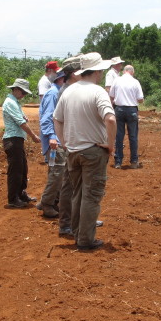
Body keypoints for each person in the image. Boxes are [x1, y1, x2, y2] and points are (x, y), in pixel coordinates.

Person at [53, 52, 116, 250]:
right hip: (93, 151)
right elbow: (111, 119)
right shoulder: (98, 92)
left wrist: (64, 142)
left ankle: (77, 232)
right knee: (91, 195)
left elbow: (57, 119)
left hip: (73, 152)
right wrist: (111, 144)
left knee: (77, 193)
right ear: (97, 71)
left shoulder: (69, 91)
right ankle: (86, 239)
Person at [2, 78, 41, 208]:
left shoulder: (14, 102)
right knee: (16, 171)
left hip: (17, 139)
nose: (24, 95)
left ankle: (20, 193)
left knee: (22, 168)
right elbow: (21, 123)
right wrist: (34, 136)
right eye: (23, 92)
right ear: (16, 89)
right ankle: (13, 199)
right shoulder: (10, 102)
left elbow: (21, 118)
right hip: (12, 139)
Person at [38, 69, 67, 219]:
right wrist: (52, 137)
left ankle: (50, 200)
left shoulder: (57, 93)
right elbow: (47, 118)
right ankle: (47, 203)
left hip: (56, 139)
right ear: (61, 79)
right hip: (54, 141)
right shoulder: (54, 93)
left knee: (55, 171)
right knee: (57, 172)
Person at [109, 64, 144, 169]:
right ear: (132, 72)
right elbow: (140, 99)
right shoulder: (135, 82)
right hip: (132, 110)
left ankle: (118, 162)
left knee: (119, 136)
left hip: (119, 109)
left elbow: (111, 96)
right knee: (133, 137)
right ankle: (134, 161)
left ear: (124, 71)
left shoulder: (117, 80)